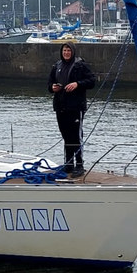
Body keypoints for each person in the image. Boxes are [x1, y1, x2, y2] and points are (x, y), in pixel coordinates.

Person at [47, 42, 95, 177]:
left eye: (68, 50)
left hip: (75, 107)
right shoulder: (57, 66)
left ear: (73, 52)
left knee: (76, 136)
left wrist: (77, 84)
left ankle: (79, 165)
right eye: (64, 50)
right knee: (66, 136)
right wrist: (53, 88)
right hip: (60, 107)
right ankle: (68, 163)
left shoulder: (80, 65)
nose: (66, 53)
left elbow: (92, 81)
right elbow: (49, 84)